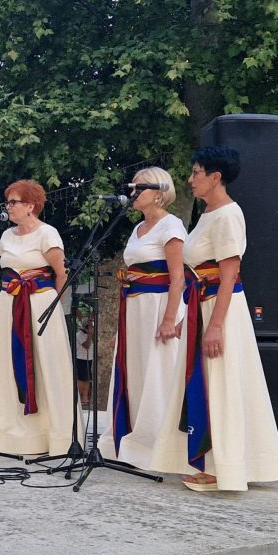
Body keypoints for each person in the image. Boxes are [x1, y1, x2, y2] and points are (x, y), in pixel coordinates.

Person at [179, 146, 278, 491]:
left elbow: (229, 275)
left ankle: (224, 467)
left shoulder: (227, 214)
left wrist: (215, 326)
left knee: (223, 384)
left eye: (196, 172)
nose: (191, 179)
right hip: (203, 304)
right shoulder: (208, 214)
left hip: (220, 308)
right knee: (210, 384)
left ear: (215, 177)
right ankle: (213, 460)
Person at [96, 167, 193, 474]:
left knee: (159, 373)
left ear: (159, 192)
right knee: (136, 371)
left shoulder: (171, 226)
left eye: (140, 187)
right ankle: (133, 442)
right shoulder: (137, 228)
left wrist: (169, 319)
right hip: (135, 308)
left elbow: (178, 278)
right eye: (133, 187)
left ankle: (160, 445)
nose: (133, 192)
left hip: (160, 306)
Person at [0, 179, 80, 455]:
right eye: (8, 202)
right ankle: (12, 437)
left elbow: (61, 274)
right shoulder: (6, 236)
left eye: (14, 202)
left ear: (31, 205)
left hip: (40, 303)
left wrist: (54, 308)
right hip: (10, 302)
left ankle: (55, 437)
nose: (8, 207)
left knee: (46, 364)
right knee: (9, 363)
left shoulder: (47, 234)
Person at [74, 307, 95, 408]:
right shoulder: (79, 334)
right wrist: (90, 335)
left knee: (87, 379)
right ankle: (80, 397)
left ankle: (85, 398)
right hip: (81, 359)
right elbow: (86, 345)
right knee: (82, 379)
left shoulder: (88, 334)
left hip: (88, 359)